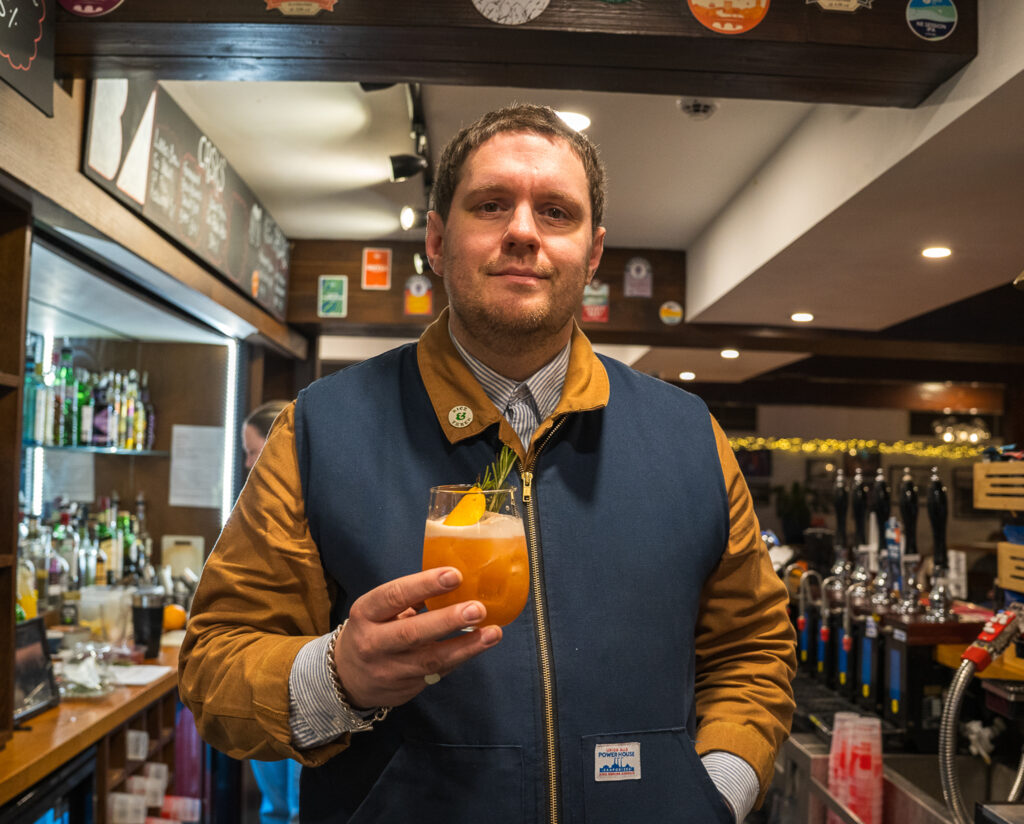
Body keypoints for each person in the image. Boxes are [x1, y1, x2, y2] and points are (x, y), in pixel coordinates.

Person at [180, 103, 796, 824]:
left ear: (593, 254)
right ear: (438, 240)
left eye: (557, 213)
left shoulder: (688, 435)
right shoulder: (319, 429)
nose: (524, 232)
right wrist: (339, 676)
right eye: (492, 204)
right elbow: (215, 665)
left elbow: (752, 648)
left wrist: (715, 795)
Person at [241, 400, 301, 824]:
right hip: (266, 669)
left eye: (251, 449)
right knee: (276, 807)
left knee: (297, 807)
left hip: (306, 669)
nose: (246, 461)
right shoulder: (254, 507)